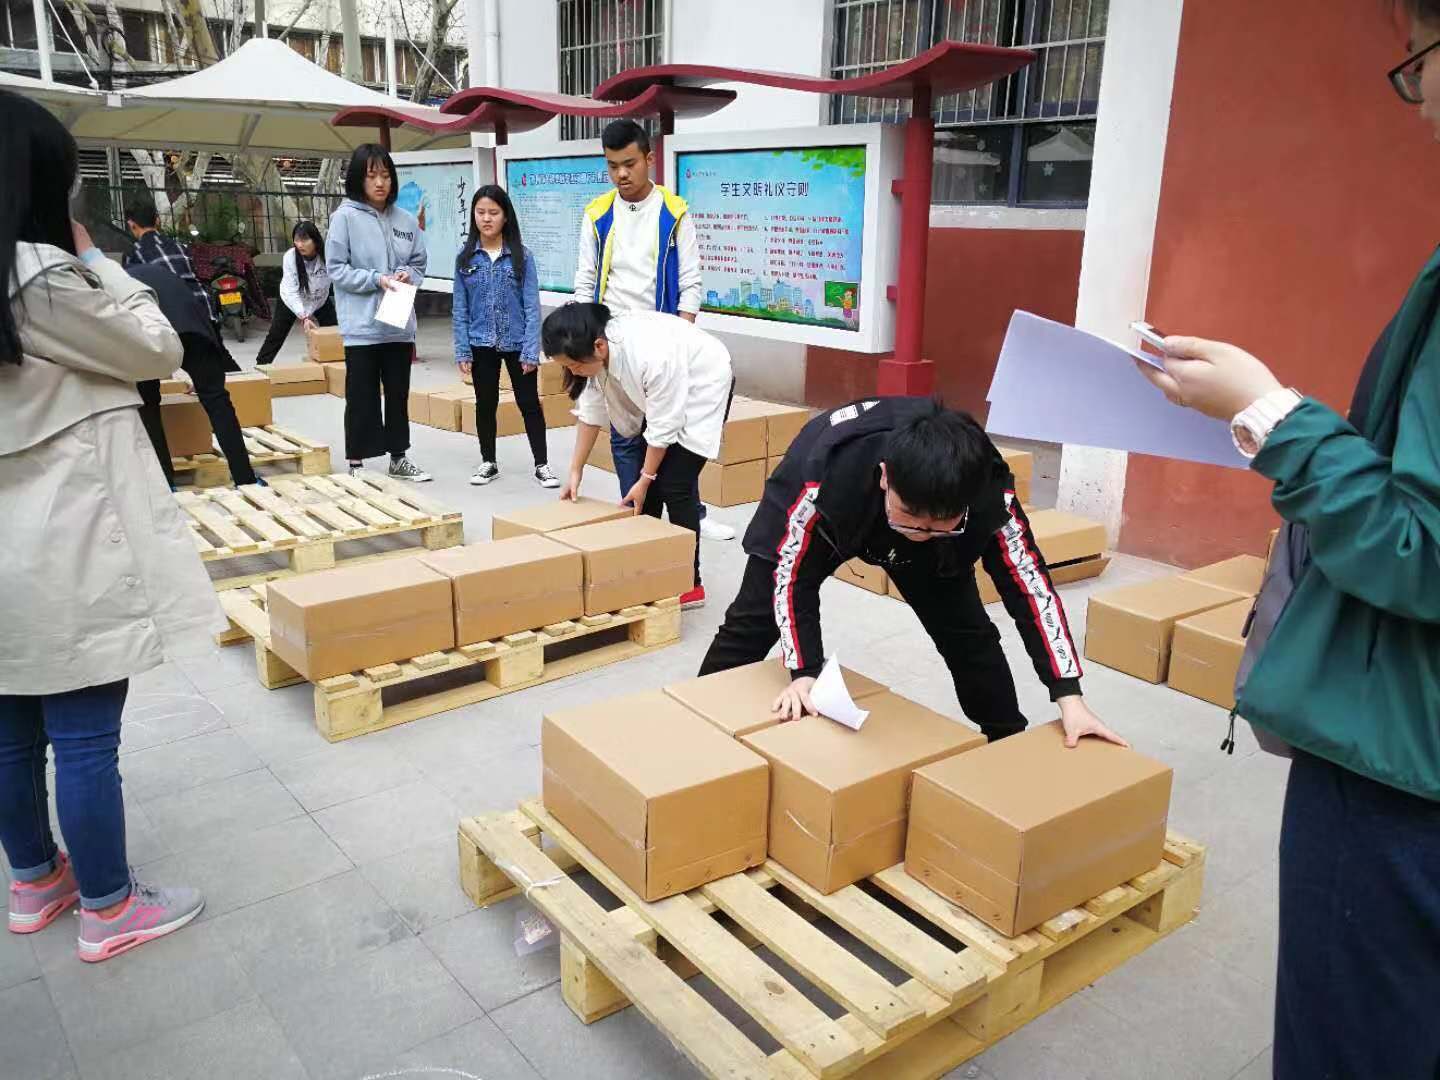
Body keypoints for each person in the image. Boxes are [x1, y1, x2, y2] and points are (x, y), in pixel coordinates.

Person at [1134, 6, 1440, 1072]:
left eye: (1421, 58)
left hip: (1402, 766)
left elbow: (1420, 547)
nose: (1420, 98)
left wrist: (1269, 414)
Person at [0, 90, 212, 962]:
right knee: (84, 732)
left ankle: (34, 880)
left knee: (10, 727)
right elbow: (158, 346)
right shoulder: (41, 281)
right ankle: (108, 906)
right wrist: (94, 257)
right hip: (65, 538)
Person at [698, 397, 1126, 747]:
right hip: (832, 508)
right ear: (885, 478)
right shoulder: (825, 480)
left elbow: (1031, 589)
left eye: (938, 524)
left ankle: (1006, 742)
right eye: (911, 519)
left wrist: (1068, 695)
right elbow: (793, 576)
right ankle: (696, 719)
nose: (920, 533)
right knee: (753, 619)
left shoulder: (988, 496)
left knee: (969, 638)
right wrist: (805, 672)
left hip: (926, 525)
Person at [573, 118, 737, 547]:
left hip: (660, 343)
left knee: (673, 437)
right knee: (626, 435)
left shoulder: (674, 212)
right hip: (612, 345)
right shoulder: (596, 214)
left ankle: (690, 515)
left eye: (629, 164)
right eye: (612, 166)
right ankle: (640, 522)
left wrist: (678, 340)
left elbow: (690, 284)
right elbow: (585, 281)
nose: (621, 174)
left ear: (649, 159)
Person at [543, 303, 732, 609]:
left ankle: (690, 583)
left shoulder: (650, 355)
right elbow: (591, 411)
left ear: (599, 347)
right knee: (647, 493)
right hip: (664, 393)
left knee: (675, 486)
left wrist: (646, 478)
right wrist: (575, 470)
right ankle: (649, 568)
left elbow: (663, 425)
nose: (572, 372)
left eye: (574, 366)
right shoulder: (594, 350)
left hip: (703, 383)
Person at [327, 143, 430, 482]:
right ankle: (356, 463)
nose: (380, 183)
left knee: (398, 395)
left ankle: (398, 458)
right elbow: (336, 269)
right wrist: (376, 279)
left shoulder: (406, 219)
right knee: (361, 396)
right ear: (358, 178)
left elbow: (419, 262)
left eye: (386, 175)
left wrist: (407, 275)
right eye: (372, 176)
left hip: (398, 324)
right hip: (362, 326)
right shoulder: (343, 218)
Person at [452, 185, 556, 488]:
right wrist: (462, 350)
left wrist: (531, 350)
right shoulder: (465, 258)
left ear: (506, 216)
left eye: (493, 213)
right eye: (481, 212)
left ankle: (542, 464)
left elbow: (531, 306)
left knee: (529, 403)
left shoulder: (522, 256)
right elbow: (460, 308)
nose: (486, 219)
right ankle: (489, 462)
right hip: (480, 342)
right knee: (485, 403)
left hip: (517, 343)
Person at [127, 259, 259, 487]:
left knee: (148, 404)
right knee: (217, 400)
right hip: (193, 329)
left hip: (148, 336)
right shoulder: (165, 274)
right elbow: (201, 314)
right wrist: (206, 374)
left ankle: (166, 483)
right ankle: (245, 479)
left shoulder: (116, 282)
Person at [122, 201, 237, 372]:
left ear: (131, 224)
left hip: (173, 317)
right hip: (202, 309)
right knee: (219, 358)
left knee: (160, 368)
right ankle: (246, 383)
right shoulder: (179, 246)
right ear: (157, 220)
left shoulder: (134, 254)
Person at [255, 221, 336, 367]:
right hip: (291, 300)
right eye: (297, 240)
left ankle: (337, 363)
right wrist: (304, 316)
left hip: (319, 299)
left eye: (305, 240)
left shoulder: (328, 256)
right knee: (276, 334)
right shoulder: (290, 257)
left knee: (333, 330)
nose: (300, 244)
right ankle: (260, 366)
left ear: (315, 240)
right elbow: (291, 290)